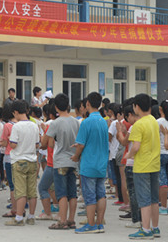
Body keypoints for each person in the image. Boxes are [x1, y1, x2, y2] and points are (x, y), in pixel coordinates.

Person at [71, 92, 108, 234]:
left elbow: (81, 144)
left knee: (89, 196)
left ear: (87, 104)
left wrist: (76, 156)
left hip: (88, 164)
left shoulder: (86, 122)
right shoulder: (103, 122)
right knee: (101, 194)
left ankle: (91, 224)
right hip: (101, 163)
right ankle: (99, 224)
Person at [126, 94, 161, 239]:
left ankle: (145, 230)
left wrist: (129, 155)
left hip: (142, 166)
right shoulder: (154, 121)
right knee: (154, 199)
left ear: (137, 107)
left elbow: (136, 146)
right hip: (154, 164)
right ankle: (155, 228)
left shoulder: (138, 125)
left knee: (144, 199)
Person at [47, 93, 80, 230]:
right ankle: (71, 220)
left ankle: (62, 220)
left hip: (60, 161)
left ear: (56, 107)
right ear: (68, 106)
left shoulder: (55, 123)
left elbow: (49, 143)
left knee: (61, 193)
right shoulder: (76, 122)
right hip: (73, 160)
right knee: (72, 193)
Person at [5, 99, 40, 226]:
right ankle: (31, 217)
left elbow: (13, 145)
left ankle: (19, 218)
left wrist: (10, 140)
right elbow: (37, 144)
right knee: (32, 191)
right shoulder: (34, 125)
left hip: (19, 160)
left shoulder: (17, 126)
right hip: (32, 160)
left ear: (15, 112)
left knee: (20, 191)